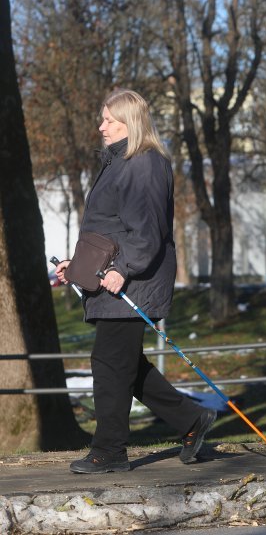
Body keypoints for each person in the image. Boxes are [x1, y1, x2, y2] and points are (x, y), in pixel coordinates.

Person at [56, 89, 216, 473]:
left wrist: (123, 269)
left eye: (110, 120)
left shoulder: (143, 163)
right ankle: (192, 420)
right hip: (114, 276)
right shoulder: (120, 162)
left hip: (133, 281)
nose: (102, 126)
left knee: (109, 362)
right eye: (103, 118)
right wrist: (75, 265)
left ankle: (109, 451)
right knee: (124, 363)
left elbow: (146, 231)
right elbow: (107, 230)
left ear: (131, 122)